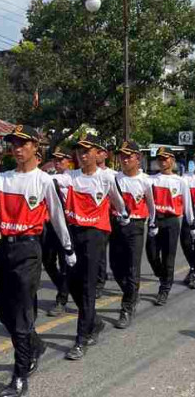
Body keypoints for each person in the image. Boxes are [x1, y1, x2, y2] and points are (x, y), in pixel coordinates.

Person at [0, 125, 75, 397]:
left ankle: (19, 375)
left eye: (23, 143)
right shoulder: (4, 178)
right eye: (13, 144)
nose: (17, 148)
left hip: (29, 250)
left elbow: (57, 216)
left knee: (20, 314)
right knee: (2, 312)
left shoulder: (44, 181)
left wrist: (67, 248)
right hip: (6, 248)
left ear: (35, 148)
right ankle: (34, 344)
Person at [53, 133, 128, 361]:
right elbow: (55, 181)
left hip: (95, 234)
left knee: (86, 285)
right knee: (73, 283)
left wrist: (123, 214)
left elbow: (117, 200)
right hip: (73, 231)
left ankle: (81, 338)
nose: (82, 155)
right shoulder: (71, 176)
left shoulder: (106, 178)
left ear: (98, 154)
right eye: (79, 151)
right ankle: (94, 321)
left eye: (87, 151)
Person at [109, 141, 156, 329]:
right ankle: (132, 293)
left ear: (138, 158)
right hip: (116, 224)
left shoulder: (146, 180)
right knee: (115, 266)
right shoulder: (114, 178)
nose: (124, 159)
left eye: (129, 156)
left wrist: (152, 223)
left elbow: (151, 205)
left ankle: (127, 308)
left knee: (132, 268)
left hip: (136, 226)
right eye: (122, 155)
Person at [146, 147, 195, 306]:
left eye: (166, 158)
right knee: (152, 254)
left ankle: (165, 288)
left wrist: (192, 225)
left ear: (172, 160)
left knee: (168, 256)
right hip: (155, 221)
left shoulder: (180, 181)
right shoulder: (151, 180)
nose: (163, 161)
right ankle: (163, 276)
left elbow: (187, 205)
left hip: (172, 221)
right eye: (160, 159)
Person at [44, 148, 72, 317]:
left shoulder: (70, 177)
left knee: (65, 263)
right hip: (50, 224)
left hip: (67, 225)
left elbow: (56, 180)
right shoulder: (50, 176)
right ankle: (63, 286)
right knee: (48, 261)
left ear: (68, 161)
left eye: (61, 160)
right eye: (55, 160)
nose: (58, 162)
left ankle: (62, 299)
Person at [95, 146, 117, 299]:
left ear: (105, 154)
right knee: (99, 252)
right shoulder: (87, 174)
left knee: (117, 251)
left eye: (100, 152)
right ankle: (99, 282)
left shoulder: (113, 175)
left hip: (113, 217)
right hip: (97, 219)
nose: (97, 155)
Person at [182, 166, 195, 289]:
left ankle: (193, 272)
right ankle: (192, 267)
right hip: (189, 214)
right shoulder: (186, 178)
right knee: (186, 242)